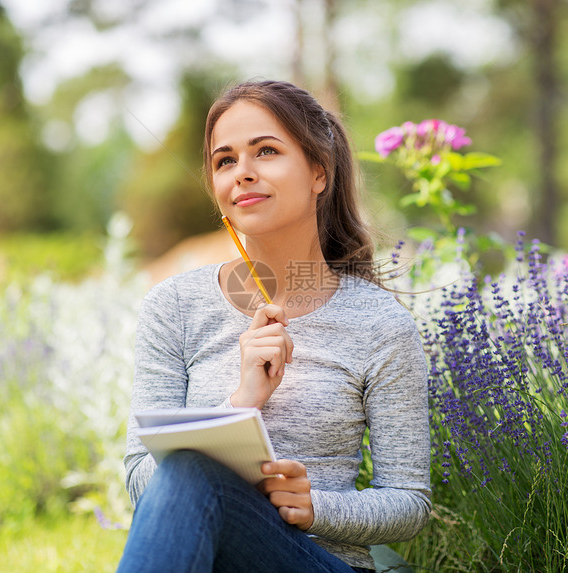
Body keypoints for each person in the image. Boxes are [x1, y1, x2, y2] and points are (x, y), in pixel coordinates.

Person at [116, 80, 431, 573]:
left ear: (318, 173)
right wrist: (241, 404)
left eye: (265, 151)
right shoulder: (173, 306)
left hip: (320, 563)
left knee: (193, 466)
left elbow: (409, 503)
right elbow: (142, 484)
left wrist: (316, 508)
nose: (243, 173)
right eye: (225, 160)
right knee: (189, 469)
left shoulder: (380, 323)